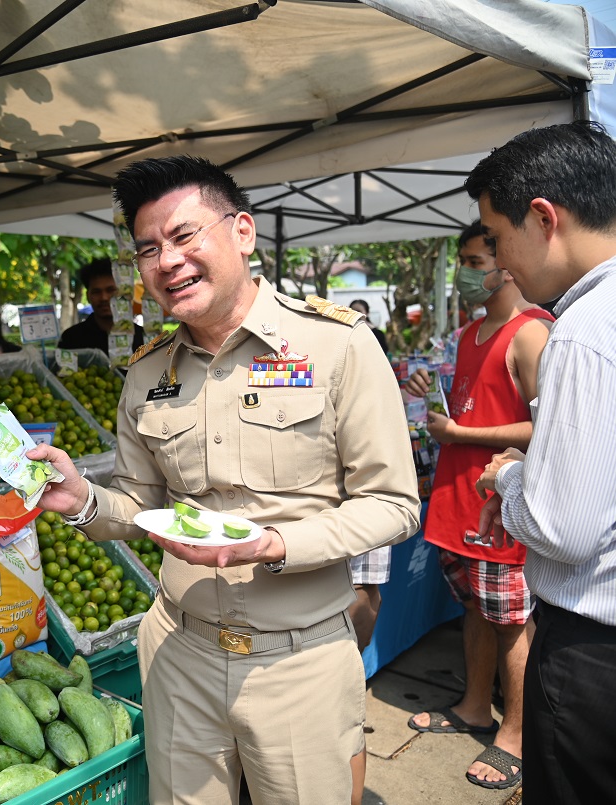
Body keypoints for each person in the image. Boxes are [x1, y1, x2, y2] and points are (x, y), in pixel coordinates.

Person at [29, 155, 420, 804]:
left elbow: (393, 503)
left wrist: (275, 543)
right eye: (149, 248)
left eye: (185, 236)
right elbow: (138, 505)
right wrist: (84, 502)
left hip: (298, 659)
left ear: (243, 232)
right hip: (180, 649)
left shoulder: (335, 346)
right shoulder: (148, 372)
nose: (167, 261)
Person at [472, 121, 616, 804]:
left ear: (543, 218)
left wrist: (510, 476)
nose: (501, 263)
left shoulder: (583, 332)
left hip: (593, 653)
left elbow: (563, 526)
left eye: (497, 239)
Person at [403, 220, 551, 790]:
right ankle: (472, 706)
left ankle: (513, 734)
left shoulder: (532, 332)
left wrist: (461, 433)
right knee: (475, 610)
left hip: (501, 508)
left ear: (506, 262)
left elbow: (547, 427)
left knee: (513, 622)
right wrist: (427, 391)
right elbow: (464, 400)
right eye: (462, 261)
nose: (465, 272)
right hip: (457, 506)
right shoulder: (469, 334)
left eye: (472, 260)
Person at [57, 258, 145, 354]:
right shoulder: (71, 339)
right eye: (96, 292)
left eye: (110, 290)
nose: (104, 298)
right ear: (88, 296)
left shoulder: (143, 339)